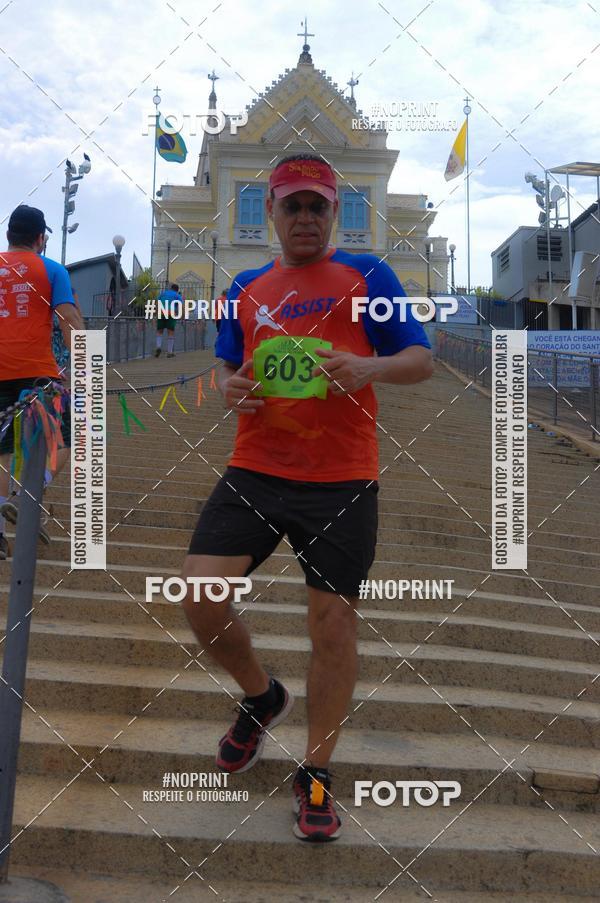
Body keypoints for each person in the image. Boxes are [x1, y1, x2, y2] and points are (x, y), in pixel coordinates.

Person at [180, 154, 433, 842]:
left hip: (342, 478)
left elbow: (422, 357)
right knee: (201, 597)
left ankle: (316, 773)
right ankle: (263, 697)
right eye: (292, 205)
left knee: (333, 624)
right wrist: (229, 383)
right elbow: (228, 361)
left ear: (333, 212)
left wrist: (369, 365)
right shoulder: (246, 285)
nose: (305, 218)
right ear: (271, 212)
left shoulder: (368, 275)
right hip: (257, 467)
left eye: (318, 206)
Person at [0, 205, 83, 558]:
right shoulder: (51, 270)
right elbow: (69, 320)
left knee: (2, 451)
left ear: (9, 236)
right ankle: (25, 494)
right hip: (38, 375)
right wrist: (85, 369)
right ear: (40, 238)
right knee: (65, 440)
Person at [155, 282, 182, 358]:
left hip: (161, 313)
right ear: (177, 290)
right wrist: (182, 316)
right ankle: (169, 352)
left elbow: (157, 304)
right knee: (170, 332)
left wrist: (156, 314)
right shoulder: (177, 295)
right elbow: (181, 306)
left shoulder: (162, 294)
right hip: (171, 313)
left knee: (159, 331)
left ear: (171, 288)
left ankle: (158, 347)